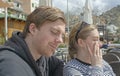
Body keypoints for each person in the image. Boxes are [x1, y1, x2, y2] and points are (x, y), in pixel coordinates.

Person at [0, 6, 66, 76]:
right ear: (33, 29)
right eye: (54, 32)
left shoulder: (42, 58)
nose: (60, 40)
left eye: (62, 35)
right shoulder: (10, 67)